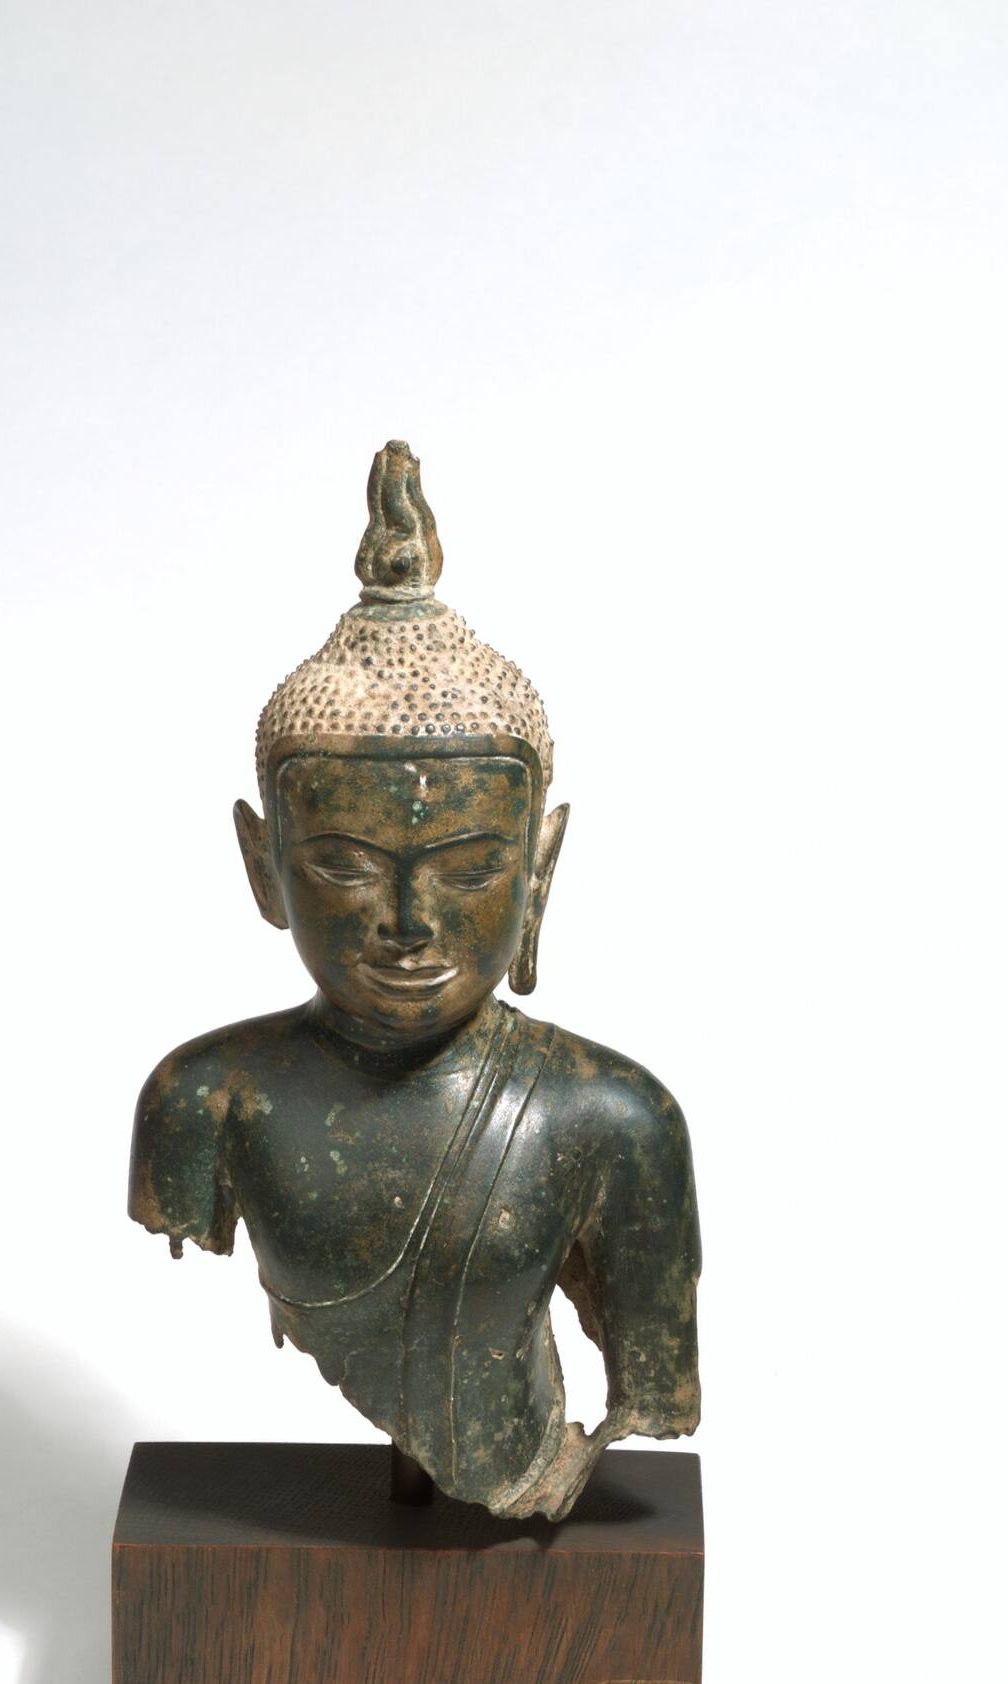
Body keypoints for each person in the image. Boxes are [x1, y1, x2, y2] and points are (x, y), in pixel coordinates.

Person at [130, 443, 699, 1519]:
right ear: (264, 866)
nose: (407, 922)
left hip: (524, 1469)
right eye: (344, 865)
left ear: (539, 871)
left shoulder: (614, 1119)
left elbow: (651, 1385)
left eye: (470, 869)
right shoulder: (206, 1099)